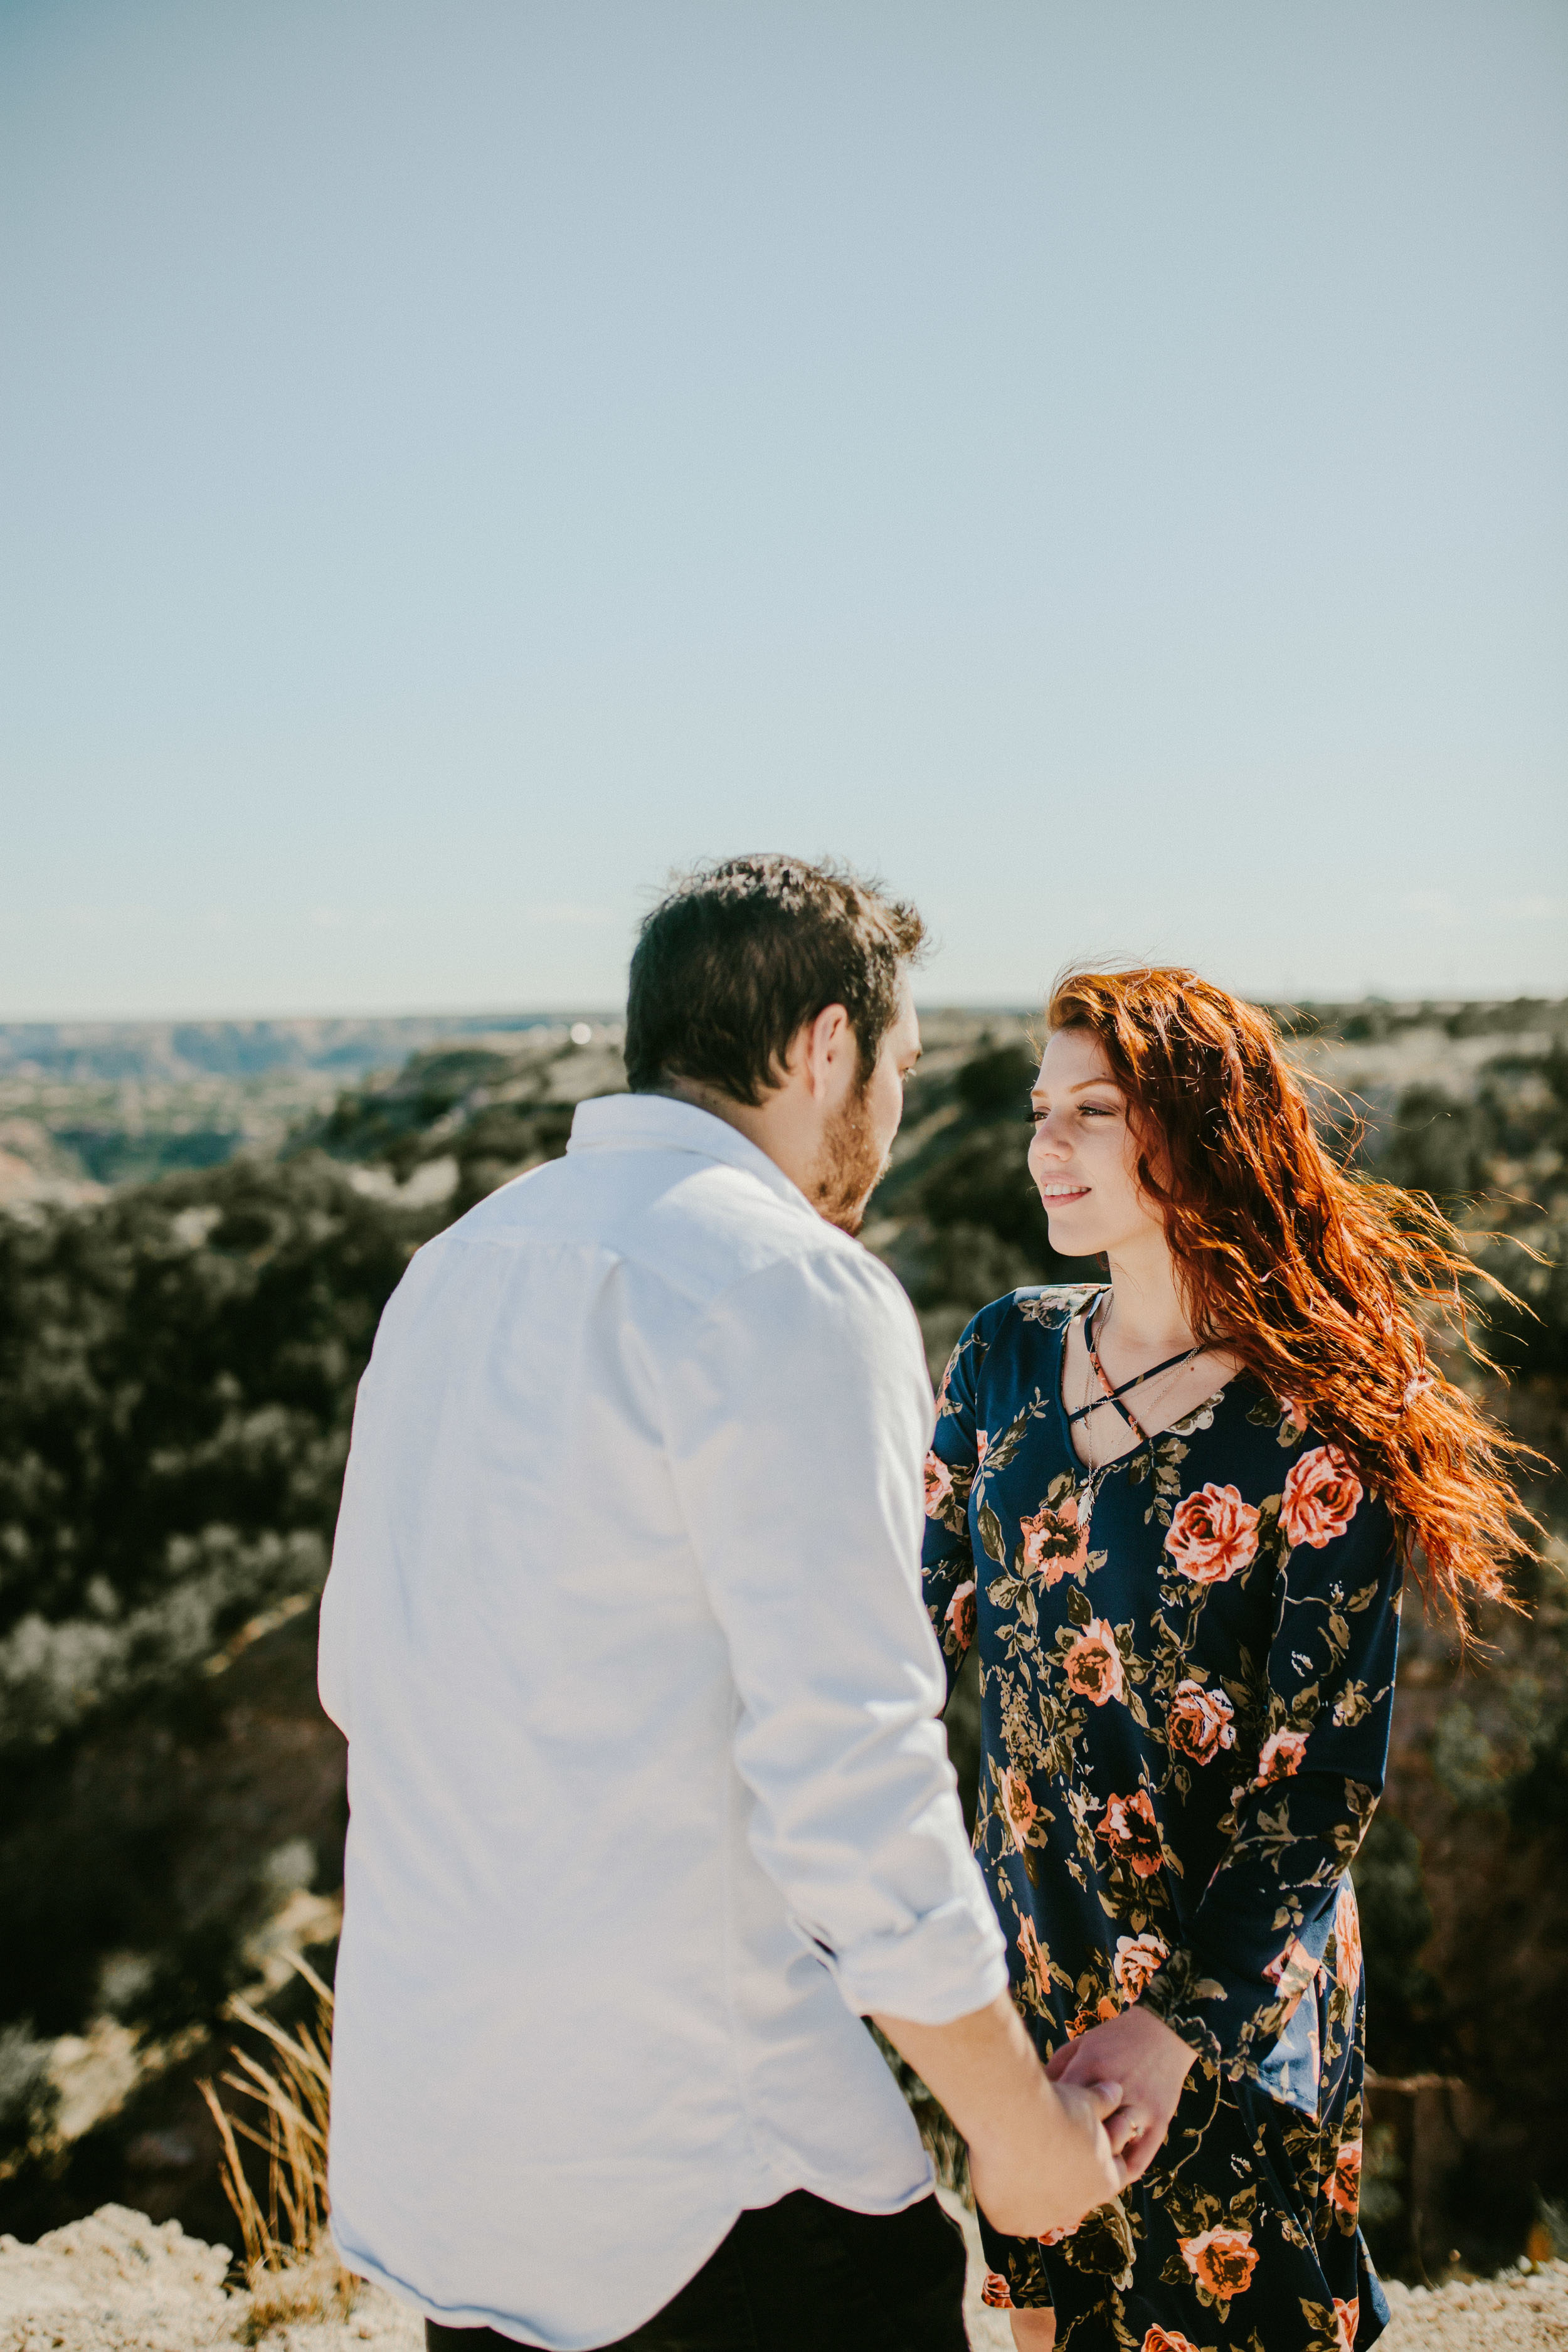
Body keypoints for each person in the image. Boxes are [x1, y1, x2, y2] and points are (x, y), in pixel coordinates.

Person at [318, 857, 1128, 2352]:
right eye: (895, 1069)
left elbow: (363, 1678)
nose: (890, 1115)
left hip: (444, 2156)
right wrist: (1013, 2134)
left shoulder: (449, 1270)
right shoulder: (784, 1283)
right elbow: (854, 1776)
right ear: (826, 1048)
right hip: (697, 2176)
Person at [921, 967, 1532, 2352]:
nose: (1044, 1145)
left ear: (1195, 1133)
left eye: (1092, 1110)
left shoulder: (1311, 1426)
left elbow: (1321, 1779)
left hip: (1223, 2008)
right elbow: (906, 1624)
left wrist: (1174, 2028)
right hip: (1026, 1989)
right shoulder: (1000, 1359)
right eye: (1037, 1110)